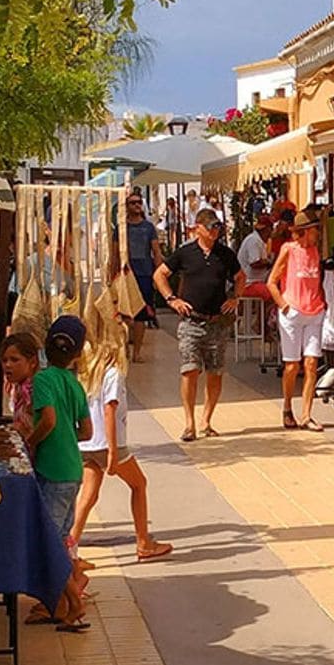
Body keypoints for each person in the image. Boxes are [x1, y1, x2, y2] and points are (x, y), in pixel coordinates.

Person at [16, 315, 92, 631]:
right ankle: (63, 602)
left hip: (53, 470)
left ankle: (74, 602)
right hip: (73, 469)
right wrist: (64, 438)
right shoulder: (74, 384)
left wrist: (30, 443)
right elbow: (86, 431)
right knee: (59, 539)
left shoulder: (44, 381)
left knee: (48, 540)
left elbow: (46, 419)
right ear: (76, 354)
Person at [71, 337, 173, 562]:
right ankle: (144, 542)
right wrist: (113, 452)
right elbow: (110, 411)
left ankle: (70, 549)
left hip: (86, 443)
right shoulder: (113, 374)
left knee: (88, 495)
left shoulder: (85, 375)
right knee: (139, 484)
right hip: (108, 443)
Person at [155, 208, 243, 441]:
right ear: (198, 228)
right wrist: (172, 299)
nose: (215, 231)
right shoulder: (185, 253)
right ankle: (189, 423)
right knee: (190, 371)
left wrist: (235, 297)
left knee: (215, 373)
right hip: (191, 322)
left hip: (217, 322)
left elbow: (240, 277)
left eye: (217, 227)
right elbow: (159, 275)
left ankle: (206, 420)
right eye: (211, 227)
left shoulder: (225, 254)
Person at [267, 210, 328, 430]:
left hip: (314, 312)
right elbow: (271, 281)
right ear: (306, 231)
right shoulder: (288, 250)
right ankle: (287, 407)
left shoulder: (316, 251)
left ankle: (307, 414)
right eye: (315, 229)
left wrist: (323, 300)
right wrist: (284, 306)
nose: (318, 233)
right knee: (292, 366)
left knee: (311, 363)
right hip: (292, 312)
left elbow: (317, 280)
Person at [124, 191, 163, 359]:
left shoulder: (148, 227)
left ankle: (137, 352)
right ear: (127, 206)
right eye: (133, 202)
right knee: (124, 314)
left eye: (139, 202)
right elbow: (114, 251)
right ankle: (124, 351)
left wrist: (159, 275)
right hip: (126, 275)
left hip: (145, 275)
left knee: (141, 315)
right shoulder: (122, 227)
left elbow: (156, 251)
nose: (137, 205)